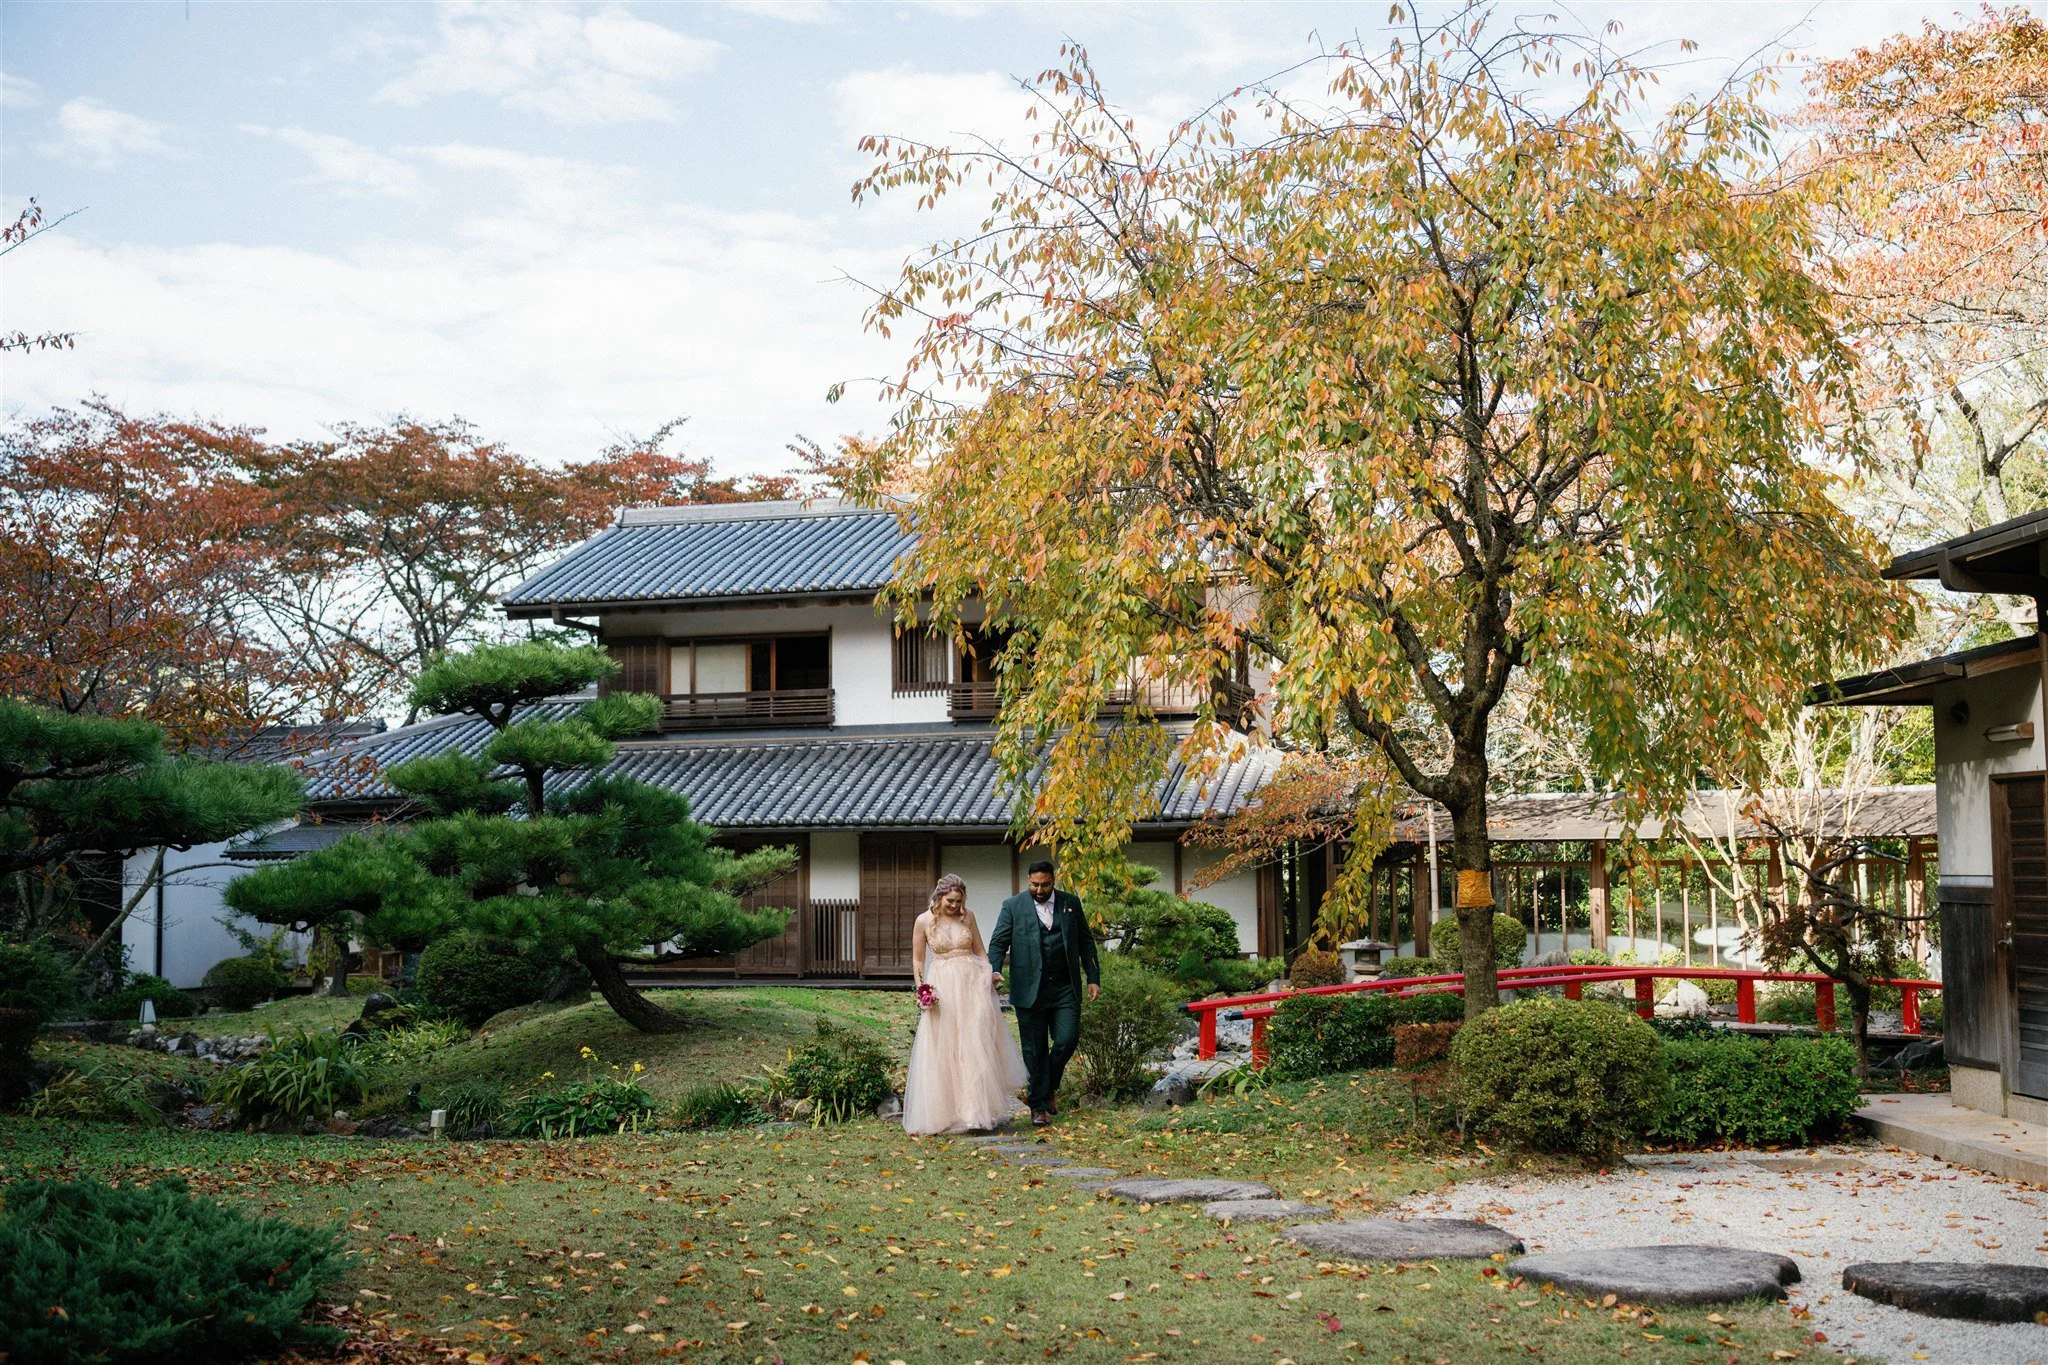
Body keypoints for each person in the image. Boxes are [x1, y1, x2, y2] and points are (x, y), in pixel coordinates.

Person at [902, 874, 1029, 1136]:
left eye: (959, 901)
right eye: (950, 901)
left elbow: (980, 951)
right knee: (946, 1045)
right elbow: (917, 960)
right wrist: (922, 987)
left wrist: (989, 973)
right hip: (943, 988)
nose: (954, 906)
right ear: (939, 897)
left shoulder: (967, 916)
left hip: (971, 985)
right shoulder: (923, 921)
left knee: (973, 1045)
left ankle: (974, 1112)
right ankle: (946, 1113)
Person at [987, 859, 1100, 1127]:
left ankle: (1045, 1086)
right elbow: (998, 942)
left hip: (1065, 987)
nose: (1039, 890)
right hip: (1029, 989)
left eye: (1045, 885)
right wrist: (993, 970)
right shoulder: (1012, 906)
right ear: (1029, 881)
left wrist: (1093, 978)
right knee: (1034, 1049)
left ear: (1053, 882)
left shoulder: (1071, 903)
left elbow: (1086, 942)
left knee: (1067, 1038)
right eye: (1035, 885)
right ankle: (1039, 1106)